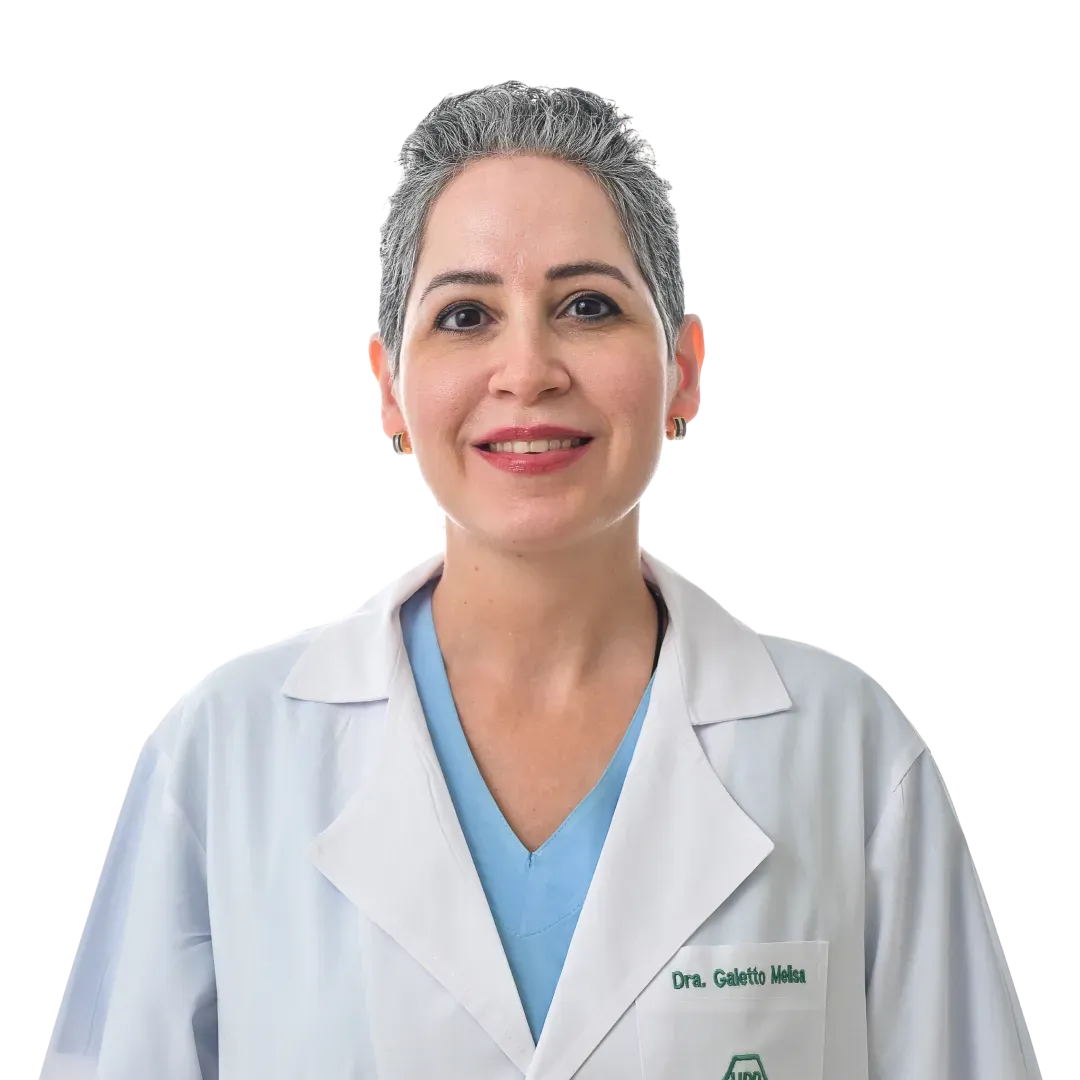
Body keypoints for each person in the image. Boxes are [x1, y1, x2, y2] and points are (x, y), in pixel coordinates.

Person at [43, 79, 1042, 1079]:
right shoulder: (223, 752)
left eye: (588, 306)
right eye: (465, 315)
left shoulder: (850, 748)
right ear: (389, 388)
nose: (527, 370)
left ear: (685, 370)